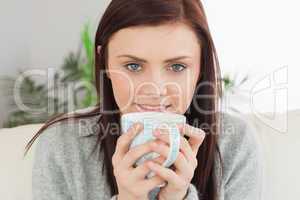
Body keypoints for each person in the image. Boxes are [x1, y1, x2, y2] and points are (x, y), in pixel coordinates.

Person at [24, 0, 263, 199]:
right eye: (133, 66)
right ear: (104, 61)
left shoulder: (234, 143)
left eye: (177, 66)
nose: (155, 89)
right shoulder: (61, 145)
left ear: (201, 66)